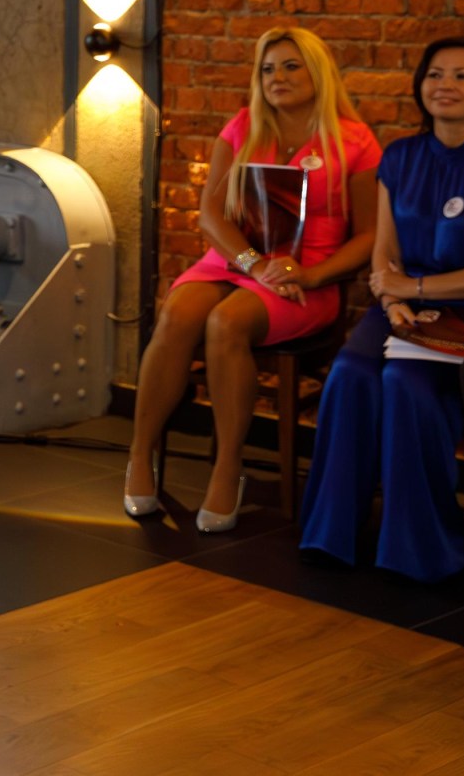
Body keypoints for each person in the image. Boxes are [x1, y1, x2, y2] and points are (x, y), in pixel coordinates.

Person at [123, 27, 381, 532]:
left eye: (290, 66)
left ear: (318, 73)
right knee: (177, 314)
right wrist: (253, 263)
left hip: (306, 278)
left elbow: (369, 236)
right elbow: (210, 214)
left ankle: (227, 467)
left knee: (226, 323)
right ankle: (138, 454)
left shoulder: (355, 141)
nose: (276, 77)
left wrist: (312, 273)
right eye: (267, 69)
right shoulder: (244, 126)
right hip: (236, 262)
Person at [299, 37, 464, 582]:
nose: (445, 86)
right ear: (420, 86)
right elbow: (384, 252)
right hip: (402, 307)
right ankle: (332, 532)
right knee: (350, 374)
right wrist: (394, 300)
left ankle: (419, 548)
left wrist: (417, 287)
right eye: (435, 74)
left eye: (462, 76)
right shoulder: (399, 157)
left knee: (406, 382)